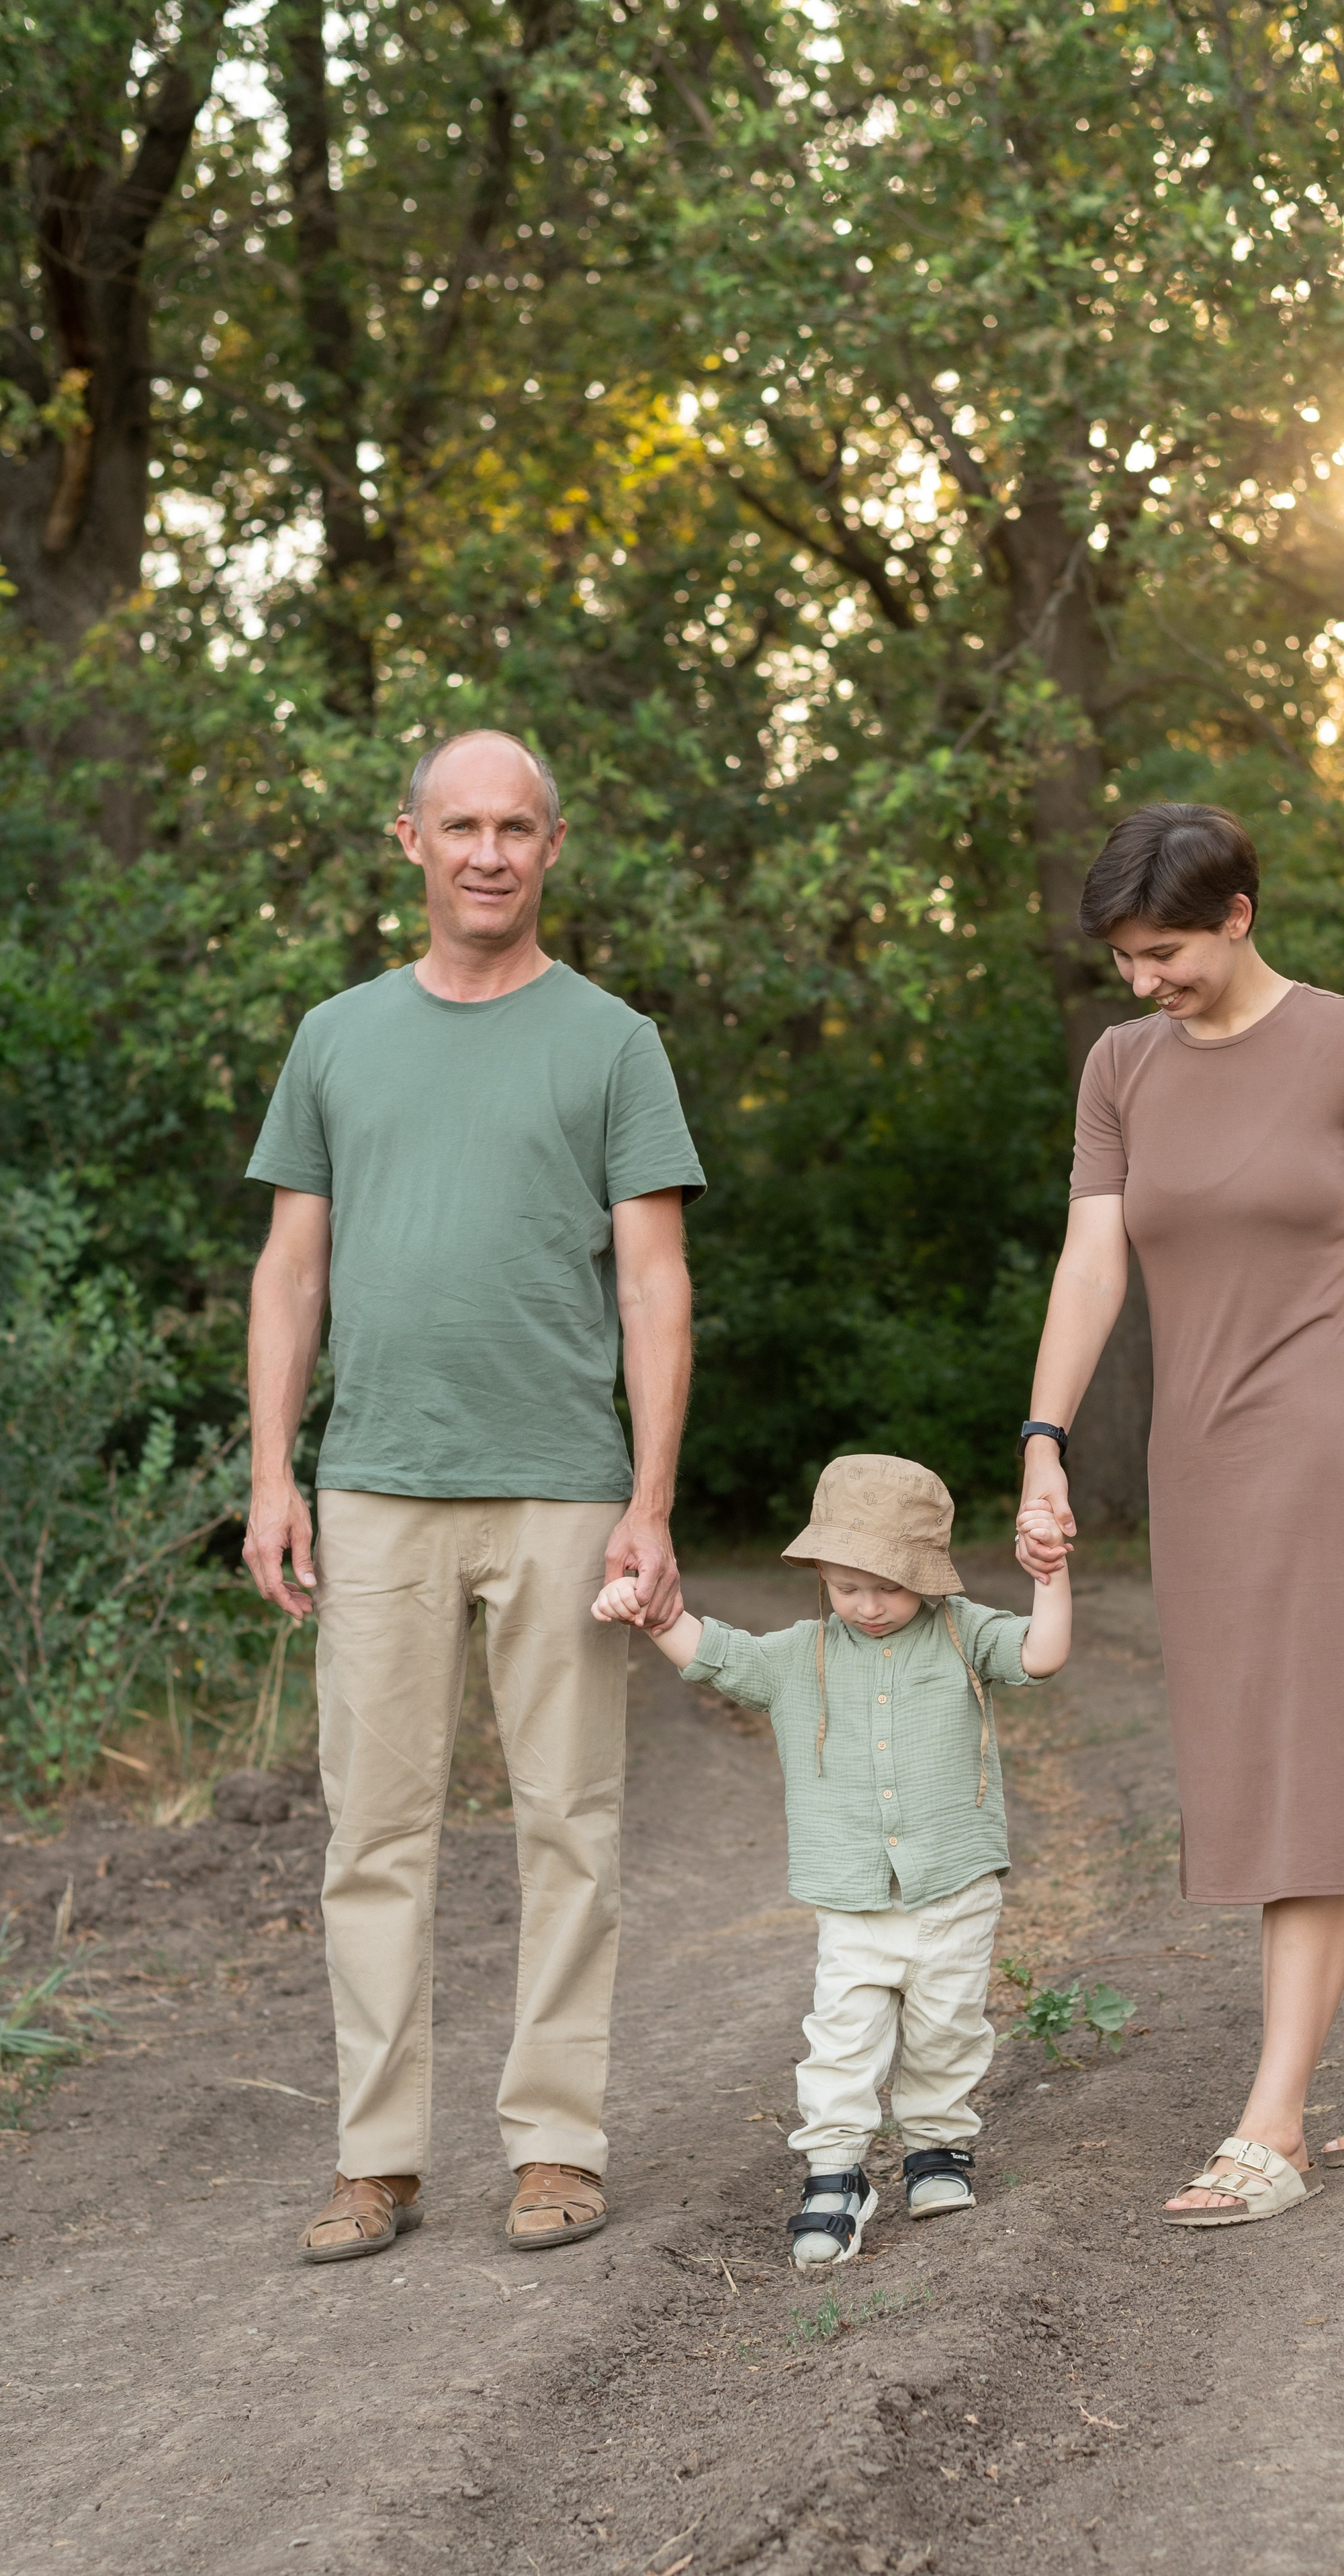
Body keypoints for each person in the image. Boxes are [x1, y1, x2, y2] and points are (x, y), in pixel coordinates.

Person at [1015, 802, 1344, 2229]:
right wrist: (1041, 1439)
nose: (1141, 983)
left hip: (1324, 1440)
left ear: (1237, 913)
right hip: (1198, 1460)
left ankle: (1271, 2126)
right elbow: (1087, 1269)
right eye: (1122, 958)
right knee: (1263, 1779)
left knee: (1301, 1777)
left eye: (1162, 951)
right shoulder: (1121, 1069)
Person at [241, 727, 706, 2263]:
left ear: (551, 847)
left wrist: (648, 1495)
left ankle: (554, 2143)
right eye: (461, 825)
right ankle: (376, 2158)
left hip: (564, 1492)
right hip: (373, 1485)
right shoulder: (337, 1037)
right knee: (372, 1832)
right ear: (410, 841)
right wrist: (271, 1470)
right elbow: (290, 1264)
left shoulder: (611, 1040)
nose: (488, 851)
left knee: (567, 1825)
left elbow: (652, 1279)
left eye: (516, 826)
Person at [594, 1454, 1072, 2266]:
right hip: (851, 1897)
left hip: (954, 1887)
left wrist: (1051, 1577)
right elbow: (714, 1651)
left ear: (929, 1574)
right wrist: (647, 1613)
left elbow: (1042, 1655)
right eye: (847, 1586)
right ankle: (836, 2172)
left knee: (946, 2029)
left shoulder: (963, 1633)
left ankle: (936, 2150)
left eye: (887, 1585)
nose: (868, 1605)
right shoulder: (798, 1655)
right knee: (842, 2041)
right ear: (820, 1574)